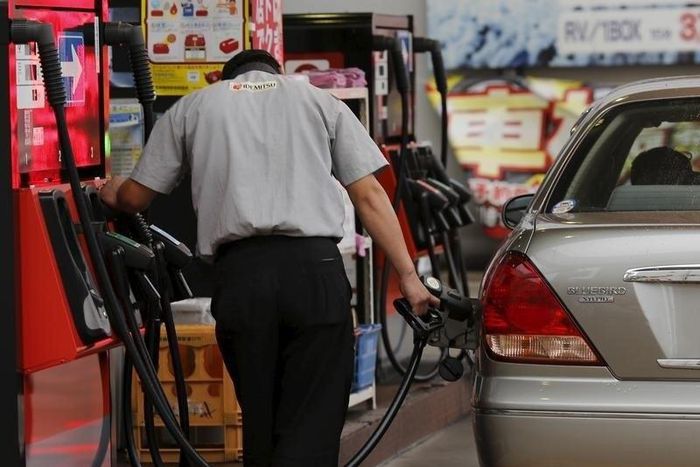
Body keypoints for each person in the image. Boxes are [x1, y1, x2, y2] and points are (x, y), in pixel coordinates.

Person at [100, 49, 439, 467]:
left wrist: (107, 189)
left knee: (260, 419)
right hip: (314, 272)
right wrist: (408, 274)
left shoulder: (195, 107)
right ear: (277, 73)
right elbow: (369, 195)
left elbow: (135, 198)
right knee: (312, 418)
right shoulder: (319, 102)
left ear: (223, 79)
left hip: (242, 277)